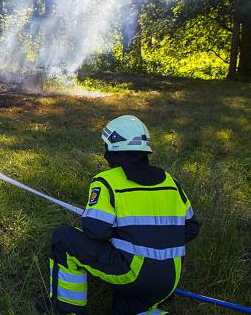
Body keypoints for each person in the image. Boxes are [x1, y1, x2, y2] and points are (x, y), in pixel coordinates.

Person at [38, 115, 200, 314]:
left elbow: (96, 230)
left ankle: (64, 308)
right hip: (169, 278)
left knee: (63, 238)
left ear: (114, 147)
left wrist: (124, 237)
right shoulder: (170, 182)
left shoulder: (107, 181)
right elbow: (191, 228)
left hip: (130, 274)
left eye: (105, 146)